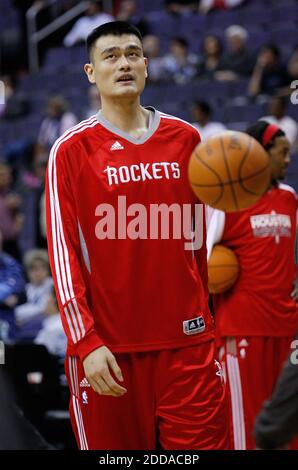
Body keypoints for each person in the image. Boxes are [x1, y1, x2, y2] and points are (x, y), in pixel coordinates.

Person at [45, 21, 229, 450]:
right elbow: (62, 252)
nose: (123, 63)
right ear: (91, 72)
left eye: (132, 54)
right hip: (108, 352)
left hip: (188, 344)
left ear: (146, 66)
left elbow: (197, 241)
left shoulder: (187, 139)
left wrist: (205, 318)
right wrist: (86, 342)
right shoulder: (71, 150)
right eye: (110, 56)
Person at [207, 121, 298, 450]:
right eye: (282, 153)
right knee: (246, 428)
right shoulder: (227, 199)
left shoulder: (289, 198)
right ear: (260, 152)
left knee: (287, 427)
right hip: (241, 330)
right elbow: (199, 262)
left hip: (288, 328)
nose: (288, 160)